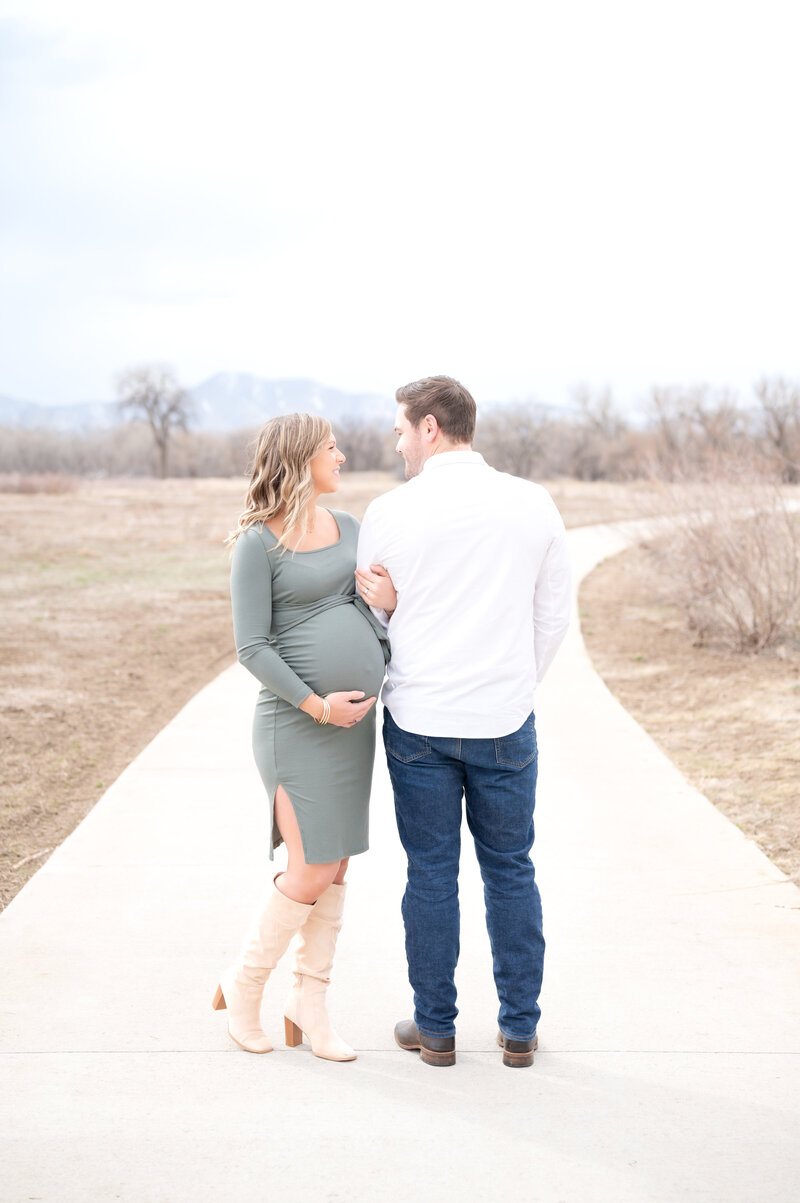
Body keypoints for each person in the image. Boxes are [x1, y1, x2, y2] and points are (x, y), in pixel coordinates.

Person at [356, 375, 571, 1068]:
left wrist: (394, 603)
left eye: (400, 429)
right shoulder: (533, 503)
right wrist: (513, 683)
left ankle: (436, 1027)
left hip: (420, 720)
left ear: (429, 428)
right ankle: (519, 1028)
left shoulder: (390, 511)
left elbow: (371, 620)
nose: (396, 442)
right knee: (511, 868)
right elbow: (552, 614)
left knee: (430, 872)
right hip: (504, 718)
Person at [213, 413, 396, 1061]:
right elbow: (251, 647)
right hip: (297, 724)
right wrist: (318, 704)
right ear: (299, 459)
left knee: (336, 861)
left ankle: (309, 1002)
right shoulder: (256, 546)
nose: (342, 456)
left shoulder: (348, 528)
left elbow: (363, 608)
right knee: (310, 864)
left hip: (351, 730)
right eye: (331, 448)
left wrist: (388, 602)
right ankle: (245, 985)